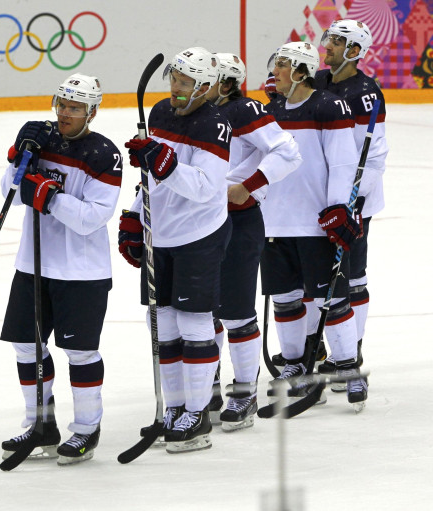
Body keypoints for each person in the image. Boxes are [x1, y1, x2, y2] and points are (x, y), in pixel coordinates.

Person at [0, 73, 122, 465]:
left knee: (80, 351)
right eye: (62, 105)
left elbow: (94, 217)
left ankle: (86, 428)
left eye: (75, 107)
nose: (65, 113)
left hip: (81, 271)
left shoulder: (105, 153)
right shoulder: (43, 138)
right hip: (32, 265)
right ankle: (41, 423)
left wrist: (49, 198)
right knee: (25, 345)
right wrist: (20, 159)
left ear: (92, 111)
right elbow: (9, 195)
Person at [119, 47, 231, 453]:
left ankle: (198, 414)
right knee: (163, 324)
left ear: (203, 87)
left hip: (199, 233)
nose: (175, 88)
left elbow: (204, 188)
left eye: (184, 83)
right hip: (160, 233)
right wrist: (135, 215)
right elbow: (153, 173)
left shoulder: (215, 124)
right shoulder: (160, 113)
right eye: (173, 80)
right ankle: (176, 407)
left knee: (193, 321)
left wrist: (162, 161)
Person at [262, 42, 368, 410]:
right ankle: (294, 365)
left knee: (333, 300)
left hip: (315, 223)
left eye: (284, 65)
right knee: (286, 299)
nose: (275, 71)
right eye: (276, 64)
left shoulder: (327, 105)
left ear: (303, 71)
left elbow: (342, 163)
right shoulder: (270, 110)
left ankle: (348, 368)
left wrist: (338, 208)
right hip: (274, 222)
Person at [204, 53, 302, 431]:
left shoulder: (244, 111)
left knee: (235, 309)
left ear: (227, 83)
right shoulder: (197, 116)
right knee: (200, 310)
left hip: (238, 221)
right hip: (196, 220)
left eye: (209, 79)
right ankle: (206, 384)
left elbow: (287, 151)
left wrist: (249, 185)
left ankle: (245, 392)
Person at [313, 19, 387, 392]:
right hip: (320, 198)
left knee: (351, 276)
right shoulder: (320, 82)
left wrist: (352, 200)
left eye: (337, 42)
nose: (327, 45)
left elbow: (372, 156)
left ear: (355, 51)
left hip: (353, 202)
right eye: (329, 39)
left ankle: (351, 355)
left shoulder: (366, 93)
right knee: (319, 277)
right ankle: (326, 351)